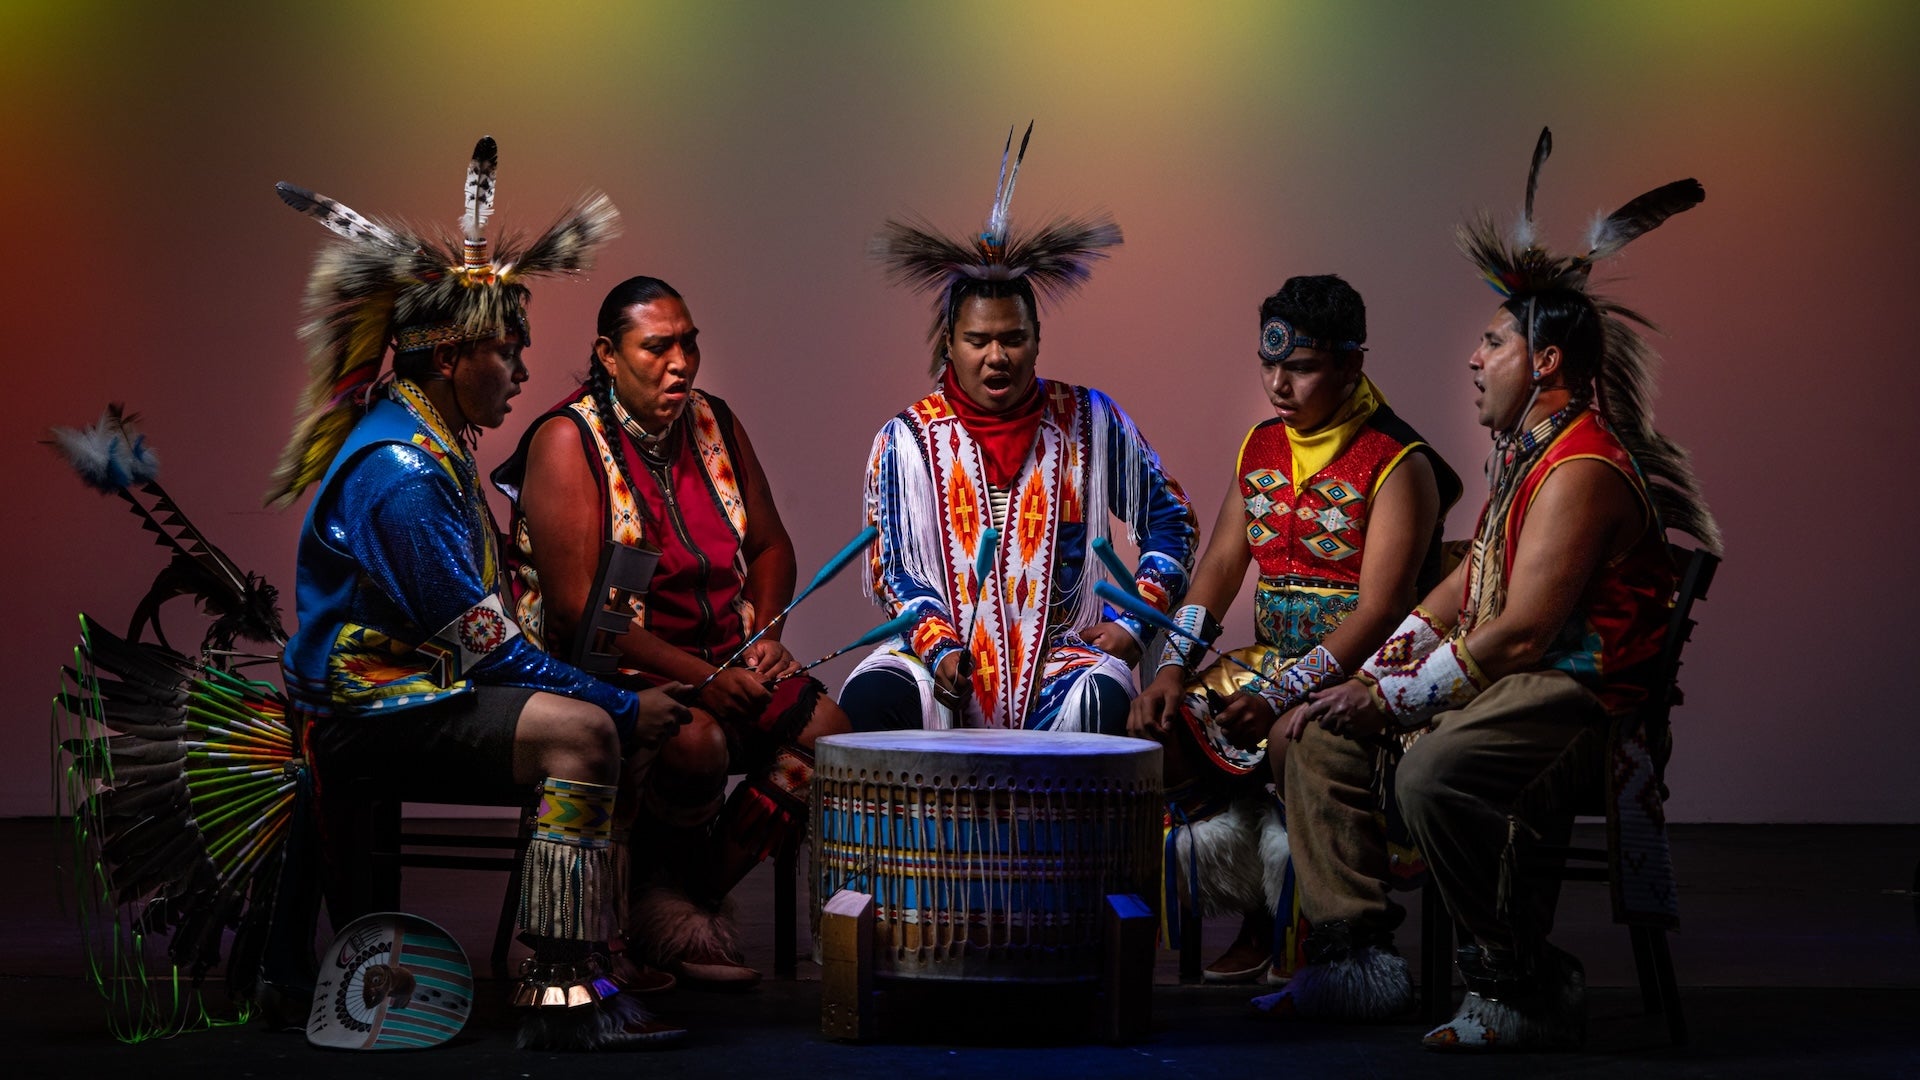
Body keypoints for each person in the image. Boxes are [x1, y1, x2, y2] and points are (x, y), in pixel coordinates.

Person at [1268, 129, 1717, 1050]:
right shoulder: (1528, 456)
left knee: (1435, 771)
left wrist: (1389, 693)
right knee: (1315, 731)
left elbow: (1520, 634)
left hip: (1576, 696)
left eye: (1490, 342)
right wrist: (1368, 673)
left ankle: (1520, 978)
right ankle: (1354, 961)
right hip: (1514, 677)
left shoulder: (1584, 467)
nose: (1474, 359)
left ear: (1545, 362)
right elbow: (1470, 582)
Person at [272, 138, 686, 1049]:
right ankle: (564, 993)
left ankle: (584, 960)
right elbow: (487, 646)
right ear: (451, 357)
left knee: (590, 717)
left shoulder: (432, 440)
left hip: (416, 686)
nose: (525, 372)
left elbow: (479, 630)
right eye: (508, 352)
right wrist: (616, 699)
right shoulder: (403, 470)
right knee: (582, 732)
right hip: (368, 711)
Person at [494, 275, 850, 987]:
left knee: (833, 741)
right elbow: (580, 615)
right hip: (607, 672)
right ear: (609, 354)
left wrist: (766, 635)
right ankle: (651, 922)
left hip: (726, 661)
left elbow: (772, 547)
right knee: (696, 744)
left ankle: (684, 904)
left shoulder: (713, 420)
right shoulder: (567, 441)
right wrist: (707, 683)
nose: (681, 362)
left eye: (689, 343)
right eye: (657, 347)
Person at [1128, 275, 1459, 985]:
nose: (1279, 384)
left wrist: (1284, 694)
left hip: (1368, 676)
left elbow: (1381, 609)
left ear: (1351, 365)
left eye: (1301, 368)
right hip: (1270, 661)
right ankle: (1261, 905)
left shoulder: (1401, 463)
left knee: (1293, 735)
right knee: (1164, 724)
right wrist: (1170, 668)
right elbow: (1219, 564)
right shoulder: (1260, 446)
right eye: (1268, 364)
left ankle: (1315, 919)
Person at [840, 124, 1197, 734]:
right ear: (949, 346)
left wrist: (1137, 622)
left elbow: (1172, 520)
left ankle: (1071, 834)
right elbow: (892, 567)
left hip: (1064, 662)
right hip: (942, 660)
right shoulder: (904, 440)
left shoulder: (1091, 419)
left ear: (1037, 343)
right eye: (978, 340)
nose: (996, 356)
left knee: (1104, 704)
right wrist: (939, 647)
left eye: (1013, 339)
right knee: (873, 700)